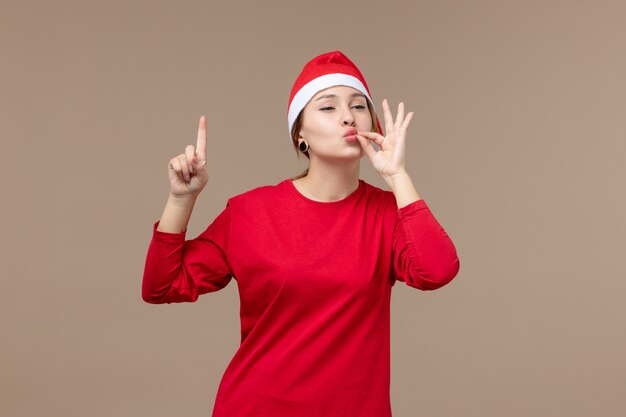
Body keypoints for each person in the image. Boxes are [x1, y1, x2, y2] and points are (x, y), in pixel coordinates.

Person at [142, 50, 460, 417]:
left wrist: (398, 176)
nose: (347, 116)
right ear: (300, 134)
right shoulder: (250, 213)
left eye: (358, 106)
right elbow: (160, 287)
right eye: (327, 107)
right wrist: (181, 200)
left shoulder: (388, 213)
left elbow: (437, 271)